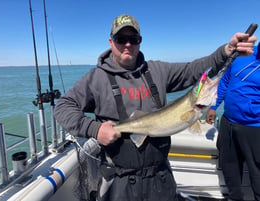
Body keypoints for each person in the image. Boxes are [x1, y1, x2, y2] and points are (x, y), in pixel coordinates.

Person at [54, 14, 256, 201]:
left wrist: (226, 51)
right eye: (121, 39)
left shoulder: (157, 71)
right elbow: (62, 107)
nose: (127, 45)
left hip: (160, 178)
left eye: (133, 39)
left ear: (140, 41)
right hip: (119, 181)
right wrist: (95, 129)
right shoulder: (95, 79)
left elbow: (193, 70)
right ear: (111, 42)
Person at [206, 41, 260, 201]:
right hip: (228, 122)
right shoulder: (243, 54)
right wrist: (214, 106)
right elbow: (225, 82)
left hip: (255, 128)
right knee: (229, 167)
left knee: (257, 174)